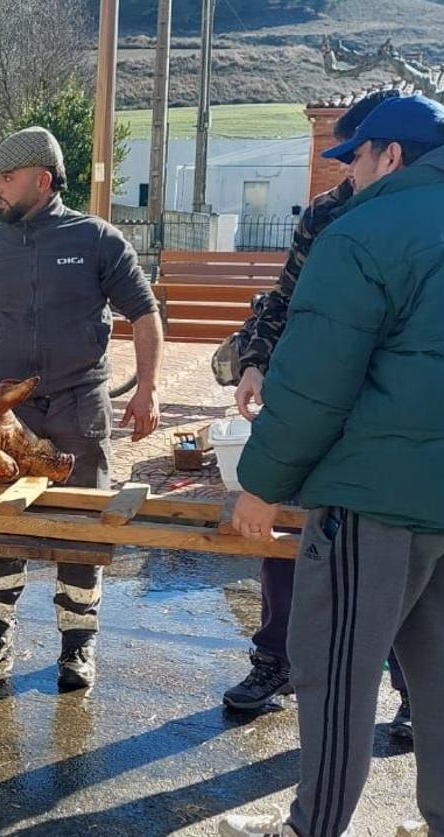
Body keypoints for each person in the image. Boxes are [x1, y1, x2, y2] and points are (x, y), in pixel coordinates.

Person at [220, 93, 444, 837]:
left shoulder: (366, 232)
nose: (345, 178)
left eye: (354, 160)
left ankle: (313, 826)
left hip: (369, 499)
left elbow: (316, 381)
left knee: (337, 673)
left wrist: (260, 486)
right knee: (439, 681)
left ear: (391, 155)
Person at [0, 127, 163, 688]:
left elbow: (144, 314)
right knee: (1, 521)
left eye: (7, 178)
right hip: (8, 413)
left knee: (81, 525)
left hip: (77, 406)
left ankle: (77, 647)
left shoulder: (97, 238)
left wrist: (148, 388)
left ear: (42, 181)